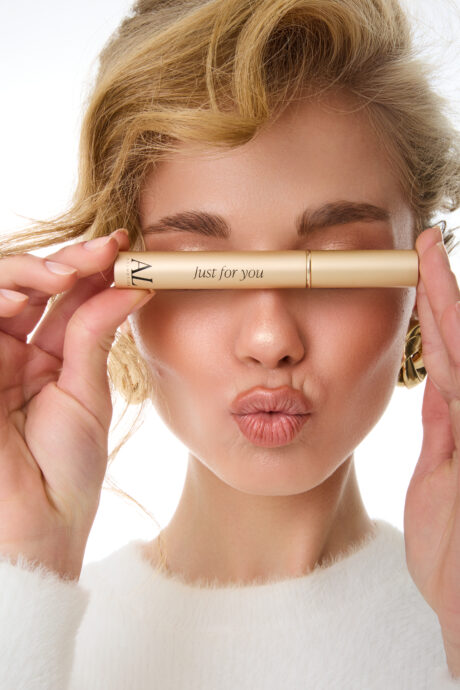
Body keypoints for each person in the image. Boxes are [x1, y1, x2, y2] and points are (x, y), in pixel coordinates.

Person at [0, 0, 460, 687]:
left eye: (335, 261)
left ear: (423, 276)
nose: (270, 339)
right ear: (117, 279)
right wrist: (23, 567)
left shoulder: (448, 617)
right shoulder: (30, 618)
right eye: (200, 267)